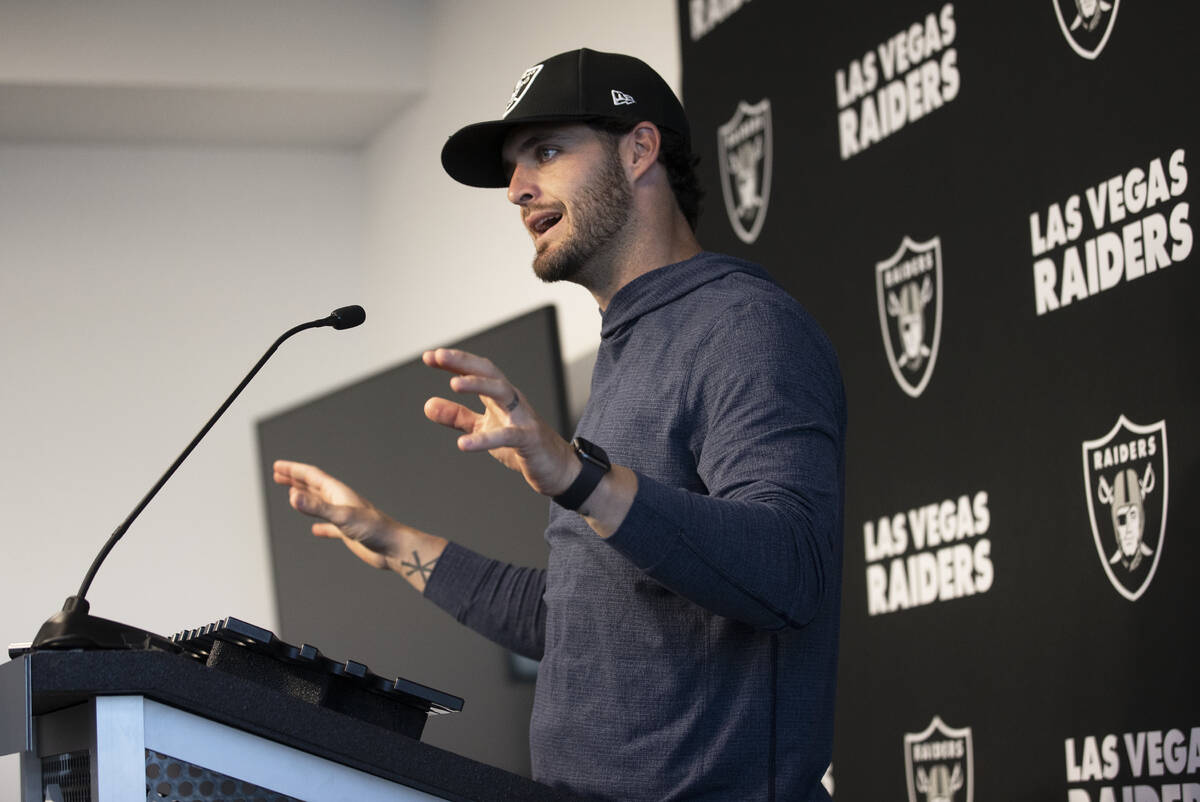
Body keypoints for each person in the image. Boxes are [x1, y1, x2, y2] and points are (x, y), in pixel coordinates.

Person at [274, 48, 846, 801]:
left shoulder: (745, 326)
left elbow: (792, 570)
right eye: (514, 168)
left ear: (639, 150)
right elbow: (581, 623)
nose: (517, 189)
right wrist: (387, 538)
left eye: (545, 152)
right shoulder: (630, 346)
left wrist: (581, 478)